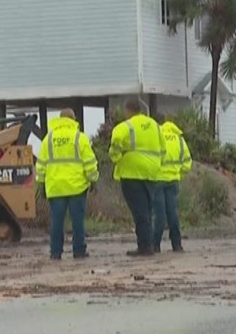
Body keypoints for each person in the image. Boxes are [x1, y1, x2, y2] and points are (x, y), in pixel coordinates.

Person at [35, 109, 99, 260]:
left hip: (56, 187)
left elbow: (41, 164)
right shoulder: (79, 137)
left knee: (56, 222)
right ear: (73, 119)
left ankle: (55, 252)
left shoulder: (48, 139)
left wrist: (41, 184)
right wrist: (93, 180)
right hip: (77, 187)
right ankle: (79, 250)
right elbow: (89, 162)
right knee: (77, 221)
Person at [109, 98, 165, 257]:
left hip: (132, 173)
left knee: (140, 211)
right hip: (152, 172)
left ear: (127, 110)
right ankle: (148, 243)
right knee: (147, 210)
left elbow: (115, 147)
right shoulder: (155, 126)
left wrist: (116, 158)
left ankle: (145, 246)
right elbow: (163, 148)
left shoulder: (125, 127)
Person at [152, 114, 192, 253]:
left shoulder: (156, 137)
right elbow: (187, 163)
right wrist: (178, 172)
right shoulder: (179, 139)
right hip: (173, 180)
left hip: (157, 180)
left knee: (159, 215)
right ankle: (177, 244)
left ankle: (155, 244)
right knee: (172, 213)